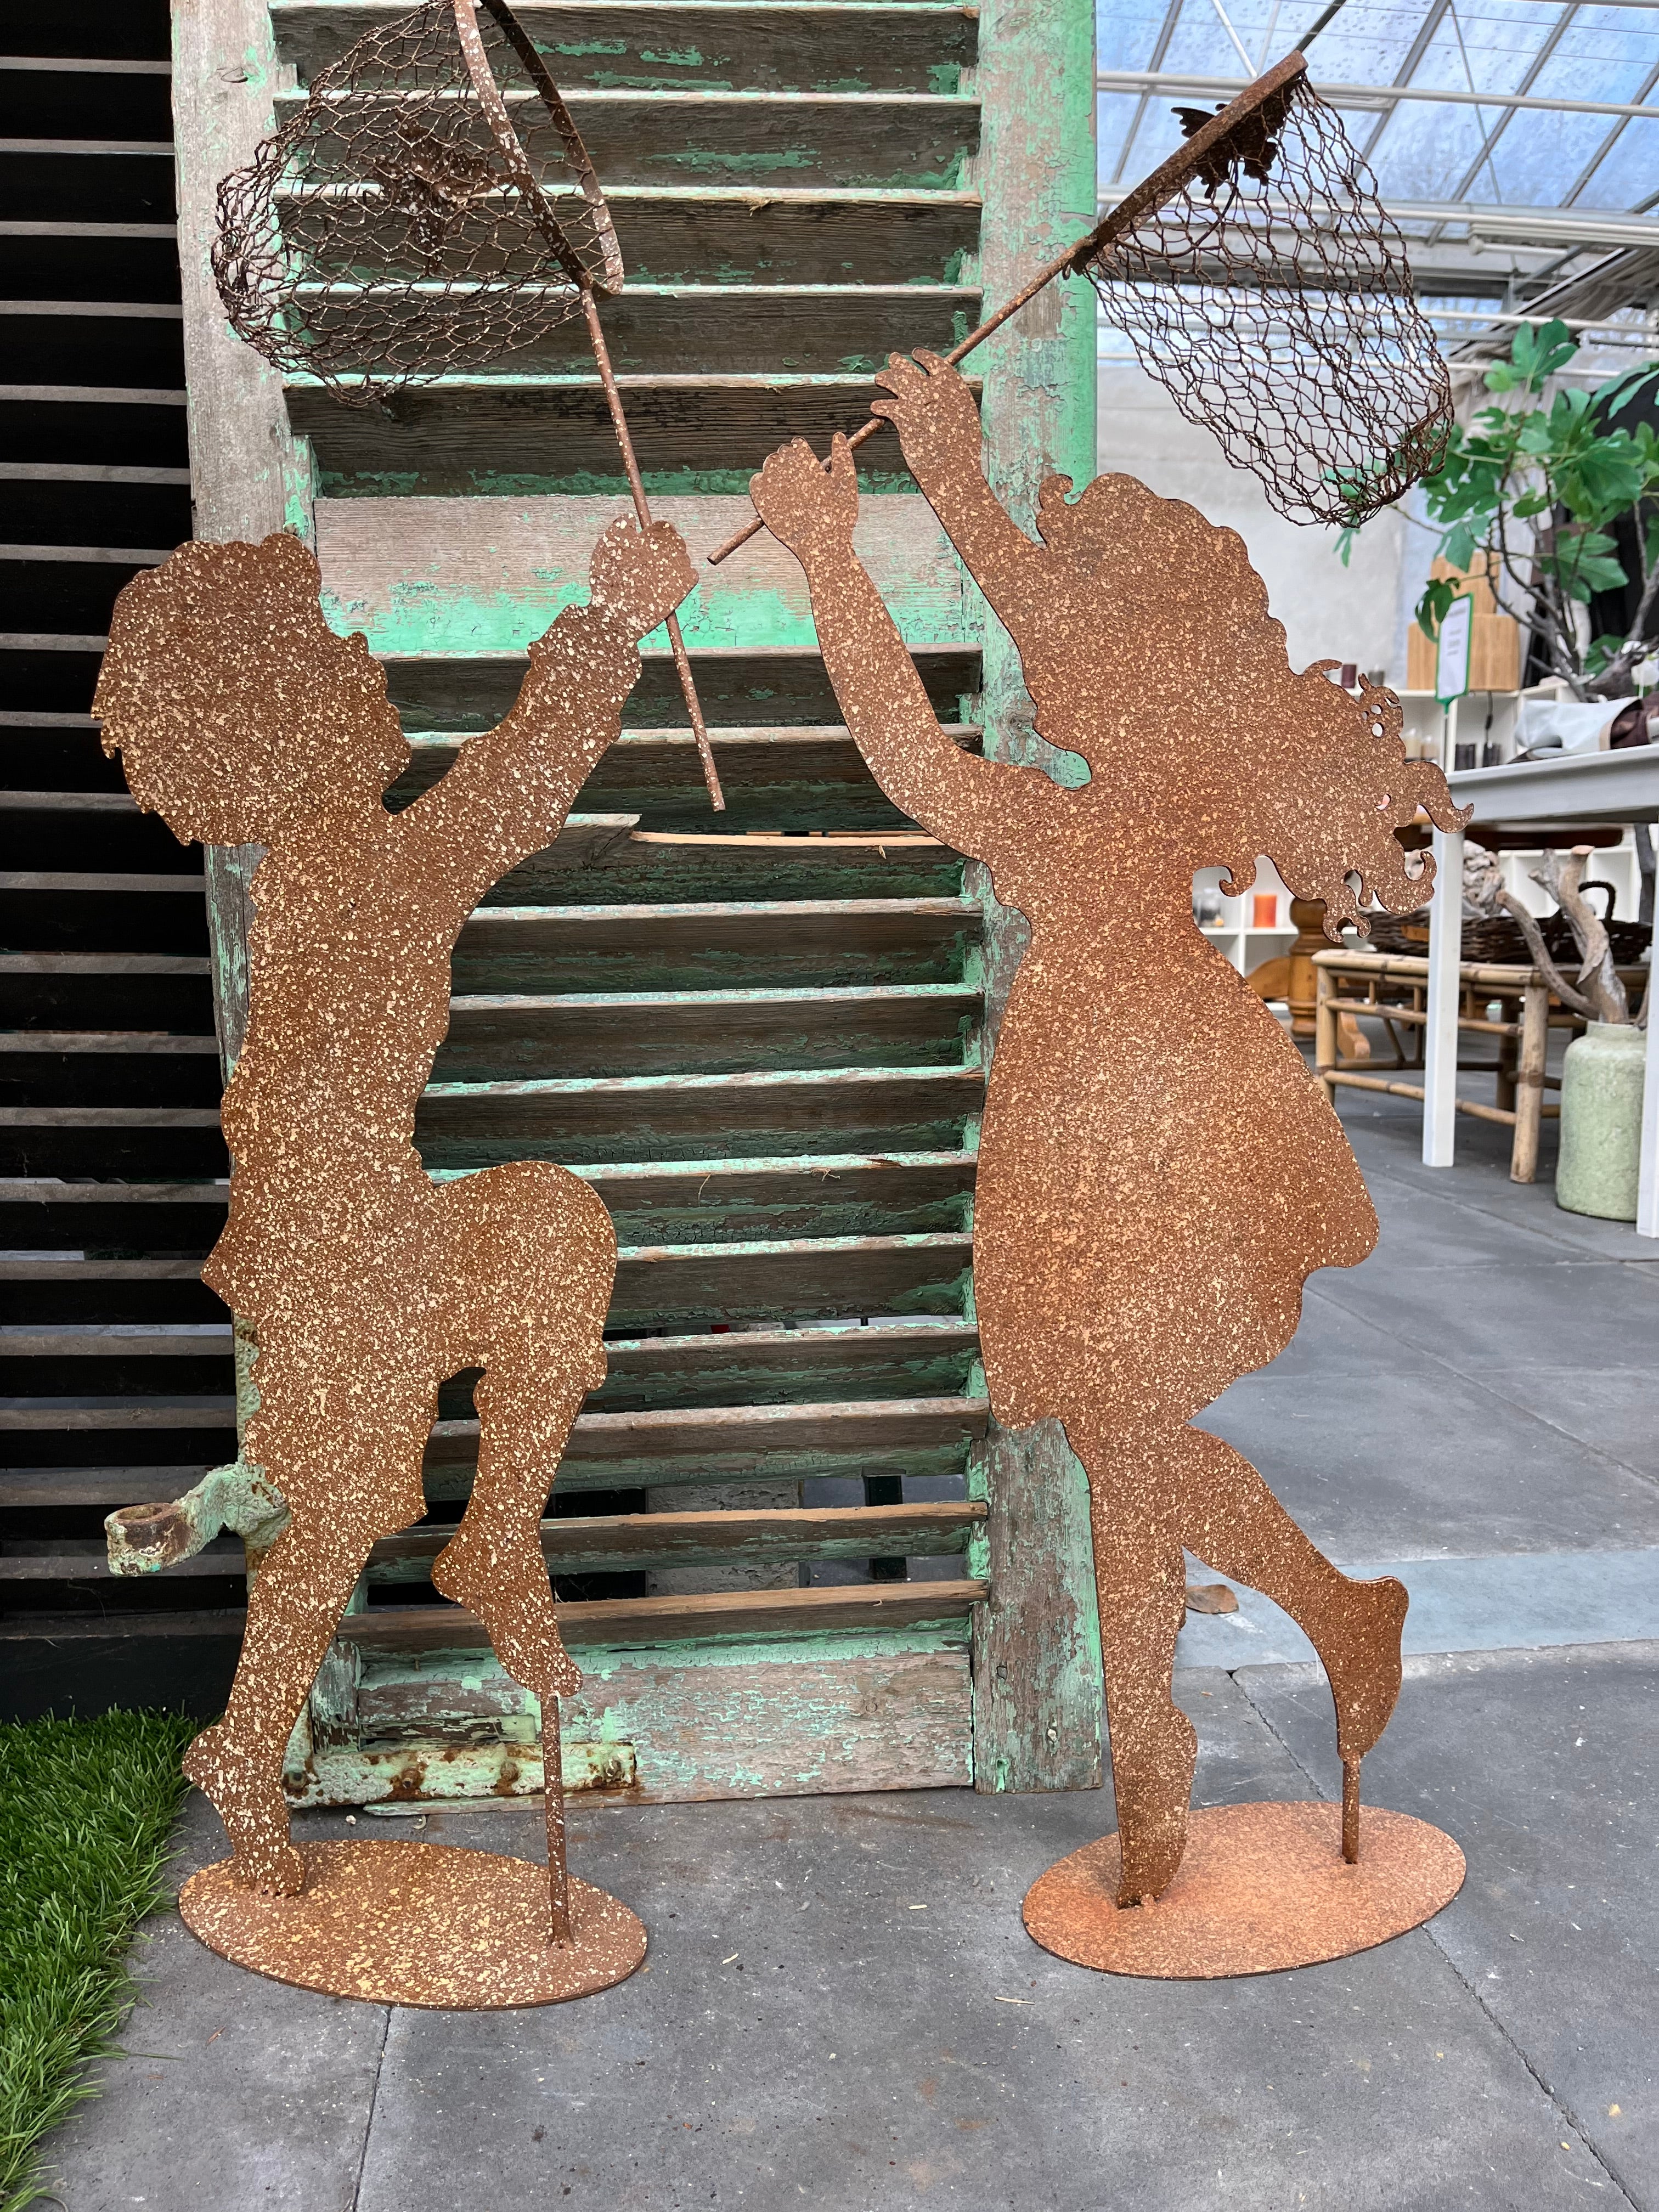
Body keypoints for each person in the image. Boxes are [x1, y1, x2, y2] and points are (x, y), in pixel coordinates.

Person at [748, 354, 1469, 1904]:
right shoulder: (1083, 802)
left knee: (1121, 1438)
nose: (1052, 634)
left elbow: (996, 683)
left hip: (1150, 1115)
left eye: (1087, 613)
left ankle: (1209, 1721)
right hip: (1093, 1116)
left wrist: (903, 508)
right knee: (1115, 1443)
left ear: (1157, 665)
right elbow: (933, 740)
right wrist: (865, 538)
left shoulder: (1113, 796)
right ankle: (1260, 1680)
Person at [95, 516, 695, 1898]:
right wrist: (607, 625)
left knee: (544, 1234)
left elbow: (500, 796)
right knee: (339, 1499)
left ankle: (482, 1550)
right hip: (336, 1245)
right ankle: (255, 1738)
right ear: (282, 713)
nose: (361, 655)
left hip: (366, 1222)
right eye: (325, 648)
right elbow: (513, 789)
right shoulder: (348, 870)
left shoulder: (327, 867)